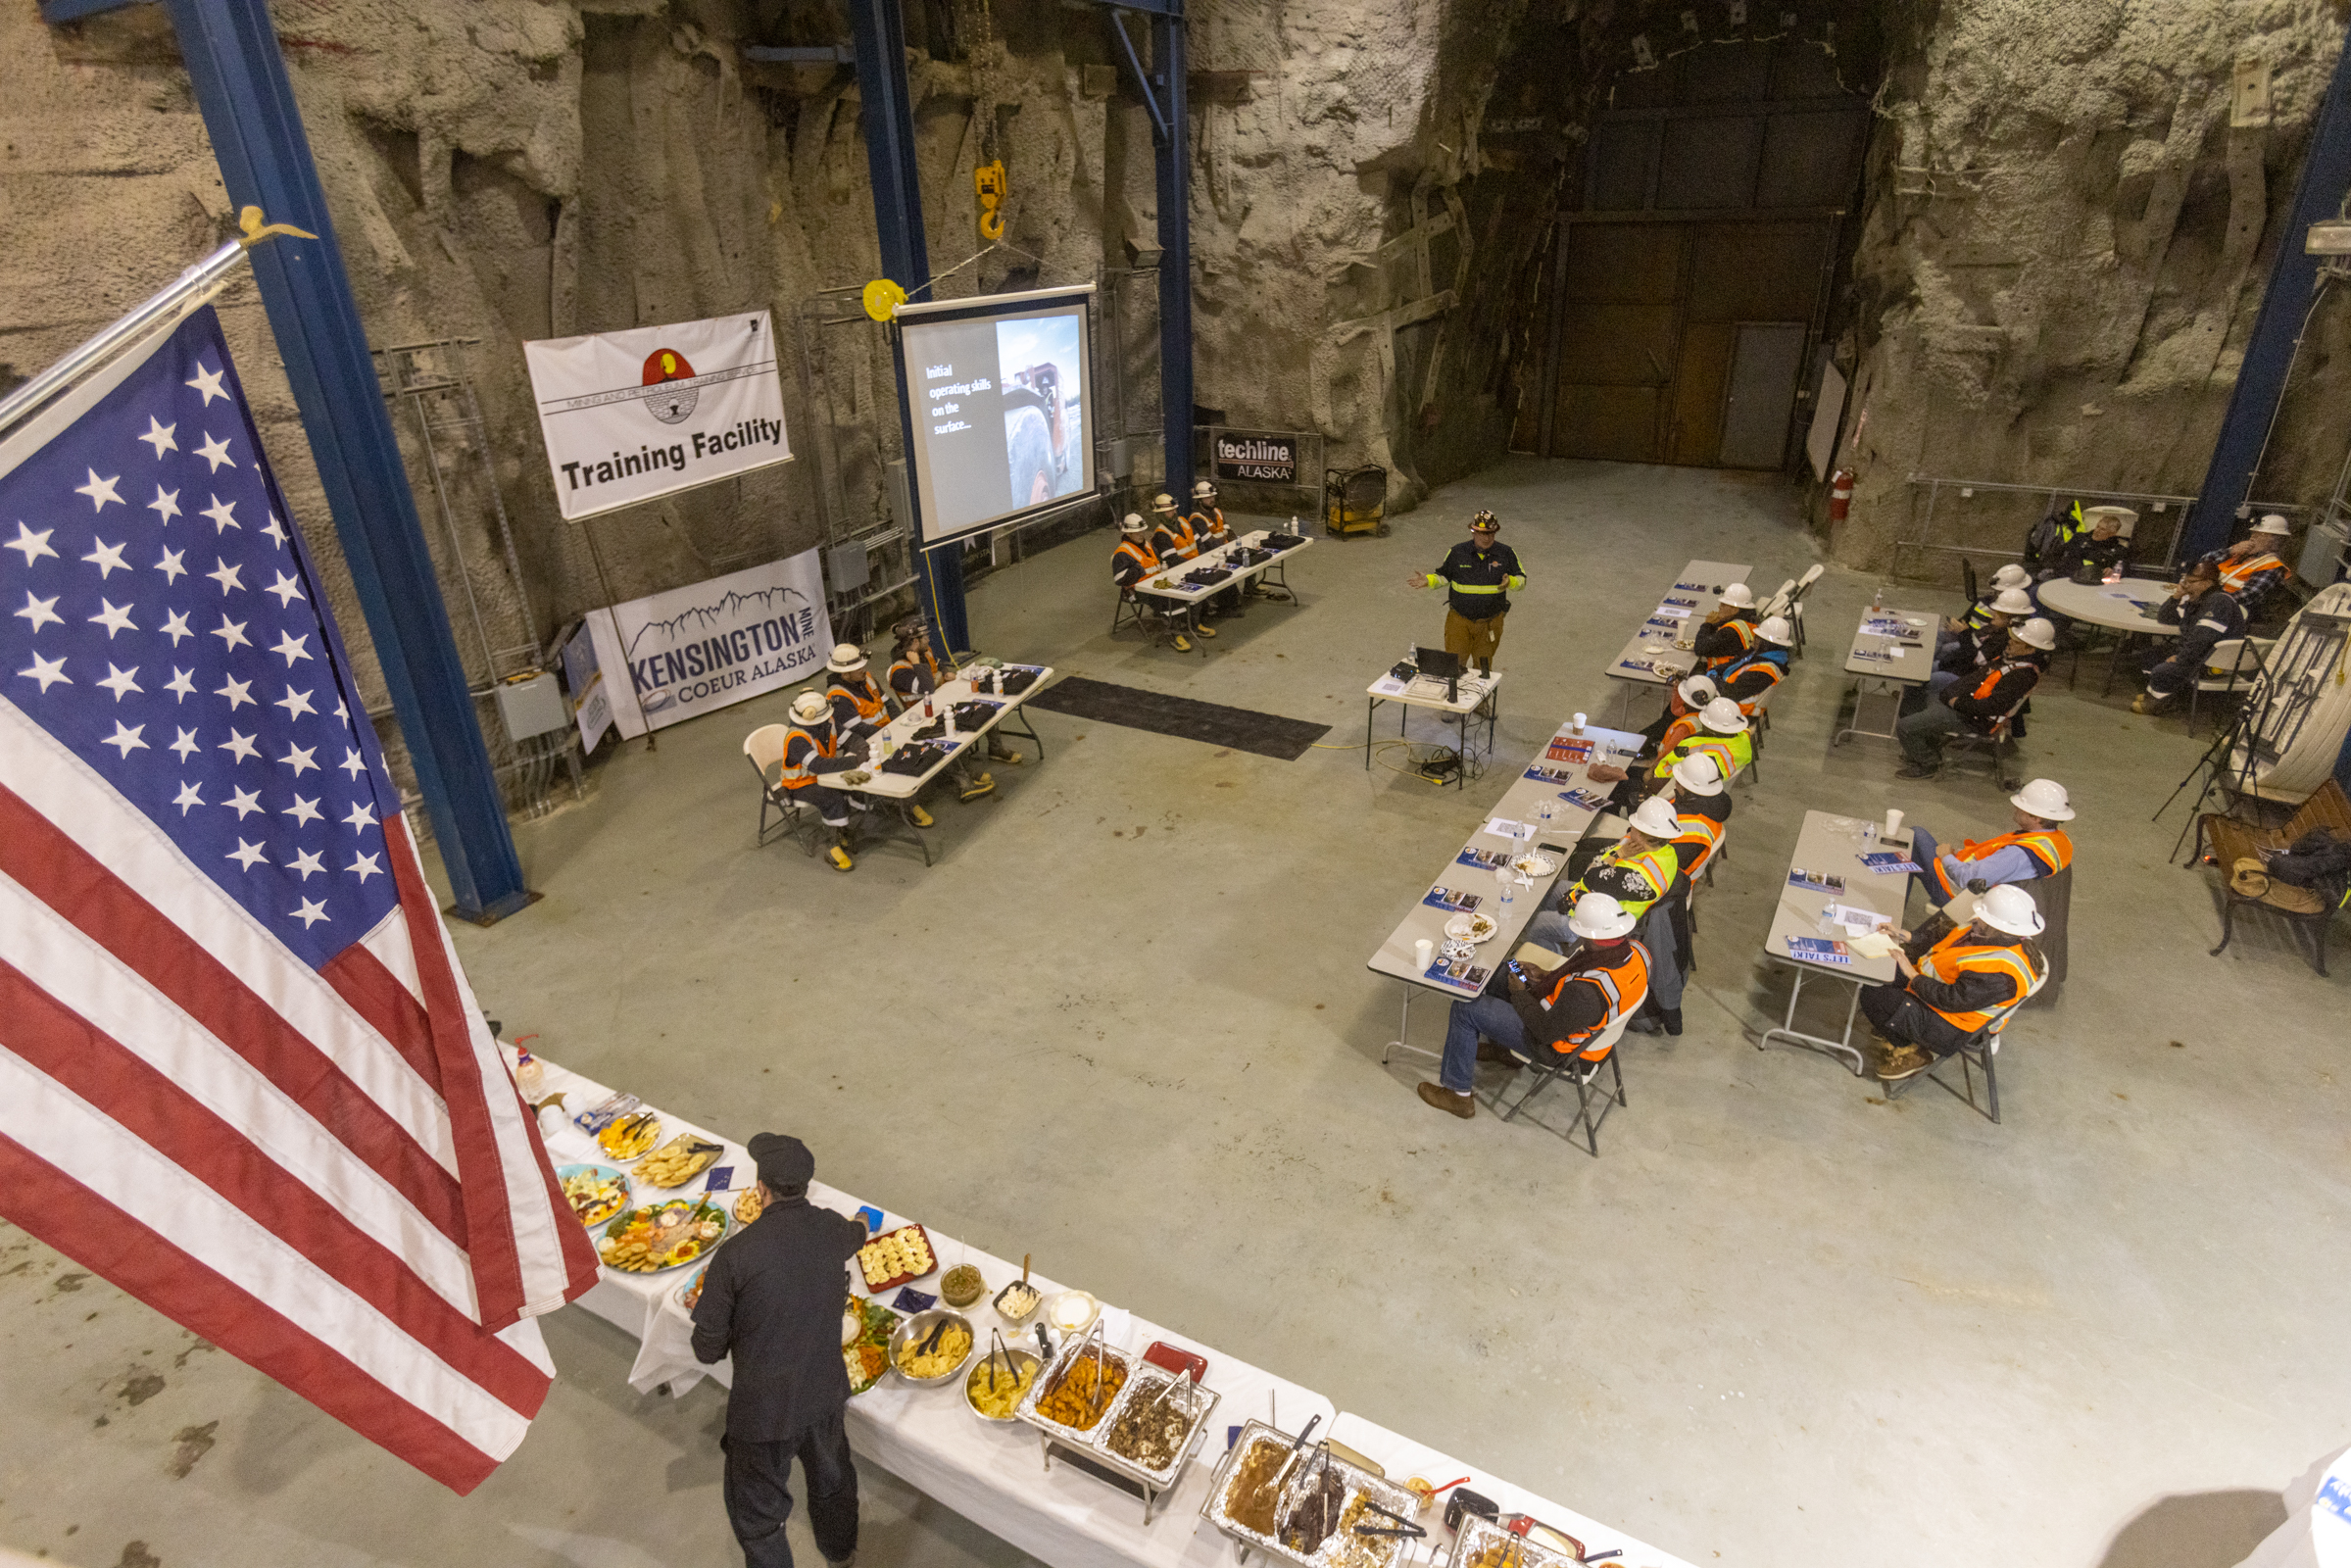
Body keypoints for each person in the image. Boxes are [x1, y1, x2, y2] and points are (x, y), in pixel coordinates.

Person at [691, 1132, 869, 1568]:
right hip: (823, 1395)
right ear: (806, 1187)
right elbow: (857, 1233)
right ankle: (839, 1556)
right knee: (832, 1484)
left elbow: (705, 1350)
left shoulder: (734, 1256)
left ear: (761, 1190)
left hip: (762, 1414)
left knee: (759, 1520)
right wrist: (864, 1219)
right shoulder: (830, 1229)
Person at [1415, 893, 1650, 1119]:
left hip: (1556, 1047)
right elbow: (1576, 982)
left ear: (1593, 936)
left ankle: (1458, 1095)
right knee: (1509, 968)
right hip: (1565, 1015)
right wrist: (1544, 975)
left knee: (1465, 1008)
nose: (1581, 939)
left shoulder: (1586, 993)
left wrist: (1520, 993)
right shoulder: (1637, 952)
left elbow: (1544, 1031)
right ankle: (1504, 1052)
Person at [1861, 884, 2048, 1082]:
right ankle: (1896, 1027)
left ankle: (1912, 1050)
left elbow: (1951, 999)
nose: (1976, 918)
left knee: (1874, 994)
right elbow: (1941, 938)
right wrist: (1903, 935)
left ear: (1995, 925)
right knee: (1879, 974)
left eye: (1982, 916)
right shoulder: (1983, 931)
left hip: (1953, 1027)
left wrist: (1912, 976)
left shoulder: (2002, 974)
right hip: (1936, 995)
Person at [1895, 617, 2052, 778]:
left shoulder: (2021, 676)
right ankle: (1926, 740)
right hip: (1969, 702)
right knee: (1916, 693)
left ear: (2031, 648)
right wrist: (1952, 692)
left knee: (1905, 727)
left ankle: (1928, 763)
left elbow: (1992, 706)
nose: (2010, 642)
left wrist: (1957, 702)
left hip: (1974, 718)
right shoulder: (2012, 660)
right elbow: (1976, 678)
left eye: (2017, 641)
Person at [1908, 777, 2075, 905]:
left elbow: (1967, 880)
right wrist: (1959, 855)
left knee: (1914, 837)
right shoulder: (2055, 841)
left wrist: (1946, 857)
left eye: (2021, 807)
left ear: (2036, 818)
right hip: (1991, 893)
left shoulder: (2017, 855)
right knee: (1910, 854)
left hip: (1964, 897)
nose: (2015, 808)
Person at [885, 618, 998, 804]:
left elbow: (936, 663)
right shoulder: (899, 671)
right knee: (944, 736)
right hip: (921, 720)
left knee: (982, 704)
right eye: (925, 637)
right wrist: (918, 665)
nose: (929, 640)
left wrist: (944, 672)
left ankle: (990, 753)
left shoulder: (924, 651)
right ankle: (966, 786)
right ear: (914, 642)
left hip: (941, 704)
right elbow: (927, 687)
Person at [1406, 510, 1523, 673]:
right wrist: (1429, 580)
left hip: (1490, 623)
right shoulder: (1457, 552)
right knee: (1454, 665)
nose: (1487, 537)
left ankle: (1481, 699)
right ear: (1473, 532)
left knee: (1483, 668)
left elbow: (1522, 580)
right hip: (1459, 622)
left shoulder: (1506, 553)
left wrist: (1512, 581)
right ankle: (1454, 698)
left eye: (1490, 533)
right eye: (1482, 533)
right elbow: (1444, 576)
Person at [2131, 559, 2247, 715]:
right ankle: (2158, 694)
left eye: (2191, 581)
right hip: (2198, 654)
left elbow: (2202, 640)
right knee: (2150, 656)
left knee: (2163, 669)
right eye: (2185, 580)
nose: (2186, 585)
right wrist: (2177, 596)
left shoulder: (2218, 602)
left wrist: (2180, 658)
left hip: (2212, 663)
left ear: (2206, 583)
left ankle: (2162, 704)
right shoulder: (2198, 600)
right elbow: (2165, 619)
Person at [778, 691, 868, 872]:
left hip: (825, 776)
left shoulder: (829, 723)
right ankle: (832, 846)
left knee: (854, 784)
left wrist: (862, 747)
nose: (830, 718)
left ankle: (841, 830)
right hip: (800, 784)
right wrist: (856, 760)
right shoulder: (797, 739)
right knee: (832, 796)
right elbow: (819, 765)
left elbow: (851, 739)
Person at [1112, 514, 1190, 652]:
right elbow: (1119, 579)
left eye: (1142, 531)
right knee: (1168, 599)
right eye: (1137, 532)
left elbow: (1159, 562)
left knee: (1183, 589)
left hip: (1157, 585)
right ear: (1128, 533)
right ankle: (1174, 634)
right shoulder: (1122, 553)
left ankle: (1188, 625)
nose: (1141, 534)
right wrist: (1138, 570)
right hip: (1138, 592)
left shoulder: (1147, 546)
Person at [2198, 514, 2293, 621]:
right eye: (2253, 533)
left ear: (2275, 540)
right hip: (2211, 605)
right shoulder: (2239, 555)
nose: (2253, 537)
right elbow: (2202, 564)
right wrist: (2230, 550)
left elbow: (2249, 594)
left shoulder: (2272, 565)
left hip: (2230, 615)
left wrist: (2210, 599)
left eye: (2260, 534)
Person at [1935, 585, 2033, 673]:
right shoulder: (1996, 629)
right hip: (1958, 663)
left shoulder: (2002, 639)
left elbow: (1976, 659)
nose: (1993, 613)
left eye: (1998, 612)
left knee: (1933, 672)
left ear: (2010, 618)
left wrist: (1963, 633)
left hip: (1964, 672)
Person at [1718, 615, 1793, 715]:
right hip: (1734, 699)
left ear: (1766, 643)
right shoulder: (1774, 657)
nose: (1753, 639)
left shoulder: (1762, 673)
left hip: (1733, 710)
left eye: (1758, 637)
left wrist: (1713, 680)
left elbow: (1730, 693)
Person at [1636, 673, 1718, 753]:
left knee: (1643, 738)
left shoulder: (1684, 726)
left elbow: (1665, 754)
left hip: (1669, 754)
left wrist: (1676, 688)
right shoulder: (1705, 714)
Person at [1692, 583, 1760, 673]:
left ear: (1735, 610)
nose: (1719, 607)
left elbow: (1700, 648)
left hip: (1721, 675)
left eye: (1724, 604)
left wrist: (1707, 624)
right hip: (1735, 669)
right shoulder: (1747, 621)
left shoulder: (1730, 631)